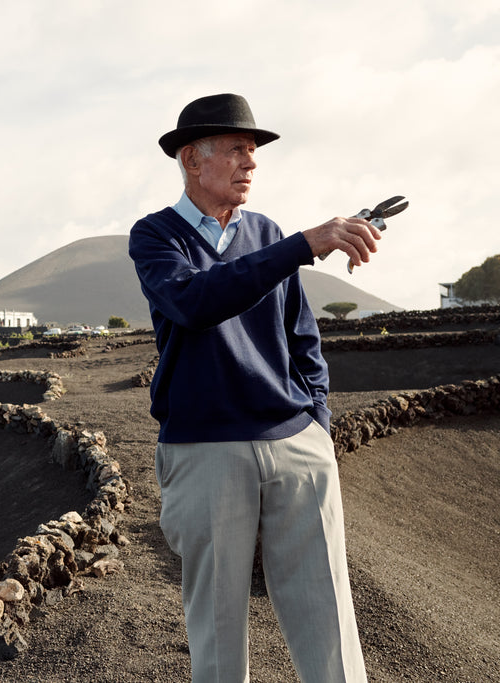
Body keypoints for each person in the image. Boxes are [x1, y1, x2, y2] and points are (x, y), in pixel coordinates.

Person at [128, 93, 375, 682]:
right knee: (216, 628)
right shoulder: (155, 237)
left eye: (253, 151)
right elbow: (195, 303)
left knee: (329, 618)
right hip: (205, 452)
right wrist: (303, 246)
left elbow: (302, 339)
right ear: (193, 159)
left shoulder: (266, 232)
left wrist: (316, 423)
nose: (251, 162)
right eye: (238, 149)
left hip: (296, 446)